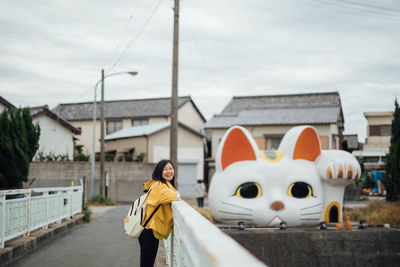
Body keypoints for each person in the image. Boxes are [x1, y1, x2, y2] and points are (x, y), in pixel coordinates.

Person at [139, 159, 180, 267]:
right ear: (159, 172)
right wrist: (177, 195)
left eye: (171, 168)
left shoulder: (165, 185)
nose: (169, 171)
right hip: (148, 231)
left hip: (151, 231)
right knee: (147, 264)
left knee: (148, 263)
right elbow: (169, 196)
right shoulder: (159, 185)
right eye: (165, 169)